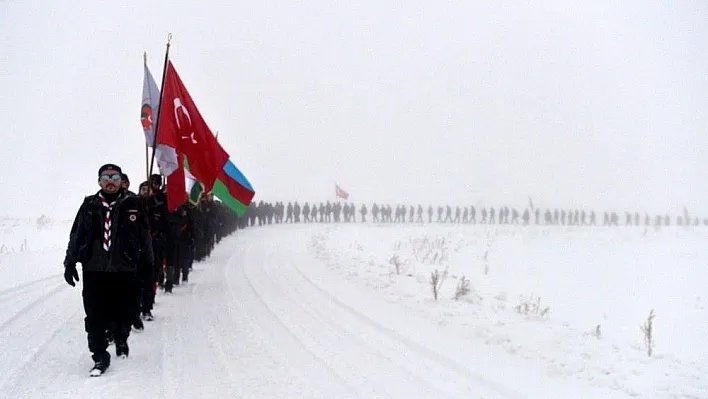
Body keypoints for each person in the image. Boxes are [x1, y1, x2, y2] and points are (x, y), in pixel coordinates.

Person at [63, 164, 153, 376]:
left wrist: (149, 265)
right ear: (99, 181)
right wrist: (69, 263)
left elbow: (145, 237)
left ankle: (121, 337)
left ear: (121, 180)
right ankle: (100, 356)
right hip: (95, 269)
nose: (110, 181)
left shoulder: (134, 204)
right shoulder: (89, 205)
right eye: (105, 177)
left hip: (125, 268)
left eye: (114, 177)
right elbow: (76, 235)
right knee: (94, 316)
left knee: (126, 311)